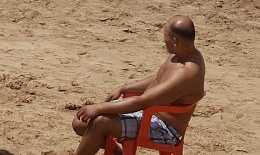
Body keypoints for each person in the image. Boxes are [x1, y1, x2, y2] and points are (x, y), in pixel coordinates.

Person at [70, 15, 206, 155]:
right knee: (80, 123)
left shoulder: (187, 73)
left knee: (100, 122)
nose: (163, 40)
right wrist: (125, 88)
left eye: (165, 36)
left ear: (175, 41)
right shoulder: (179, 55)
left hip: (164, 128)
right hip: (146, 113)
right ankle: (118, 153)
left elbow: (143, 101)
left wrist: (99, 108)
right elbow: (160, 78)